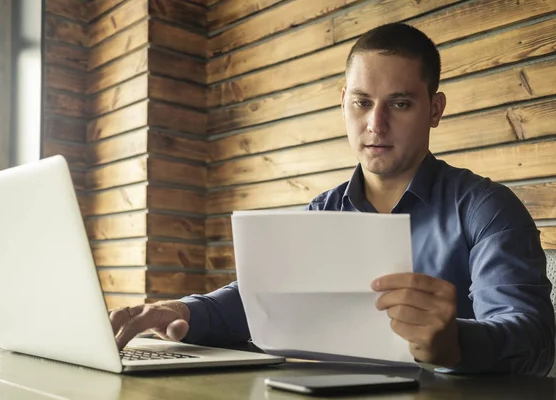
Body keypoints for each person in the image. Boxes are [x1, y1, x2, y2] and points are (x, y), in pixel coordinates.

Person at [108, 22, 555, 376]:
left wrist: (454, 344)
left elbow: (533, 340)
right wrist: (180, 309)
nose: (375, 125)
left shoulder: (487, 208)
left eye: (399, 104)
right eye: (362, 102)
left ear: (435, 109)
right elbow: (260, 299)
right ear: (344, 102)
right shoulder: (322, 213)